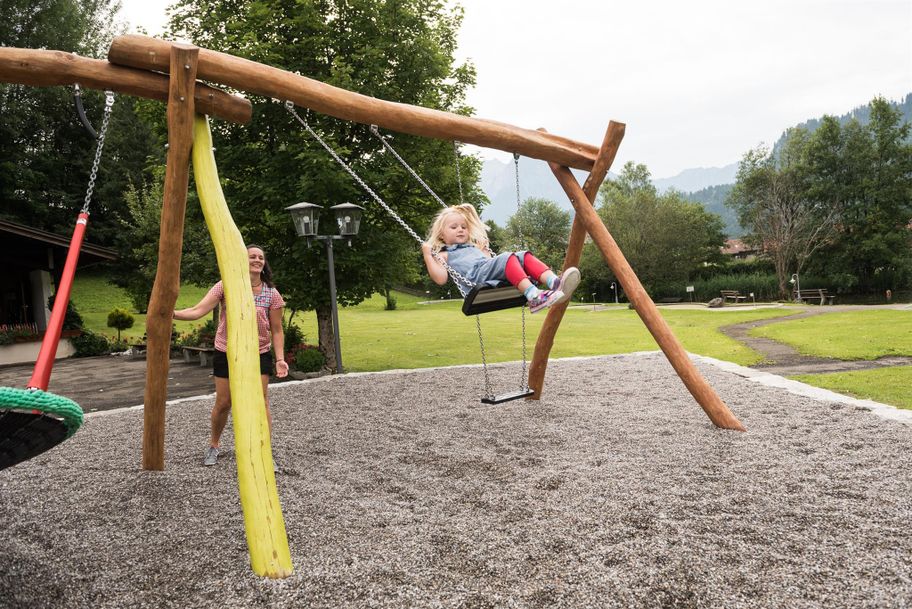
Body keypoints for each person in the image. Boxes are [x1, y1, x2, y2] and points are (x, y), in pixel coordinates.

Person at [173, 244, 289, 466]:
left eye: (260, 258)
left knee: (261, 402)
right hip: (227, 350)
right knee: (224, 402)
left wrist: (280, 359)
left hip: (258, 352)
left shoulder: (271, 293)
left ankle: (265, 452)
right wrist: (171, 313)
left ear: (264, 264)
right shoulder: (226, 286)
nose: (256, 260)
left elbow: (276, 329)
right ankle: (214, 445)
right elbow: (198, 310)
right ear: (241, 261)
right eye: (252, 257)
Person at [421, 204, 580, 313]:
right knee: (506, 258)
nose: (460, 230)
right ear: (442, 234)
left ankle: (555, 283)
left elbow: (489, 263)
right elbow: (441, 279)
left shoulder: (473, 247)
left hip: (487, 272)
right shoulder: (444, 254)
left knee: (523, 255)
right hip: (476, 279)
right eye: (454, 227)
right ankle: (533, 296)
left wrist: (483, 251)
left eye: (464, 227)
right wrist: (428, 256)